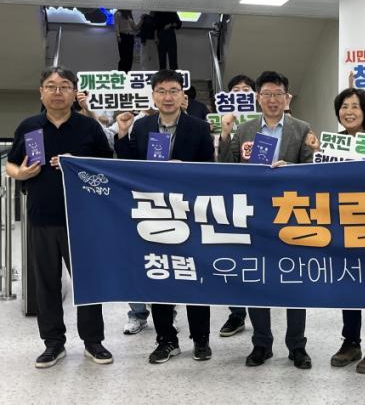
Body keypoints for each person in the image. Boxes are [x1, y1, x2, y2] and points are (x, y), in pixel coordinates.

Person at [6, 67, 114, 368]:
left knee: (88, 281)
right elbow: (11, 165)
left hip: (82, 218)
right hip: (41, 216)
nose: (57, 92)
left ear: (74, 93)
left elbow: (106, 167)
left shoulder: (88, 127)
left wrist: (77, 164)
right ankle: (53, 343)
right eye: (51, 86)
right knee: (46, 283)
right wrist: (21, 173)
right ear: (41, 92)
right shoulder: (29, 126)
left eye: (64, 86)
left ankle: (93, 342)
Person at [115, 69, 215, 364]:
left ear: (183, 96)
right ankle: (166, 339)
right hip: (154, 211)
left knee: (195, 275)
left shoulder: (199, 127)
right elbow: (129, 165)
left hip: (190, 211)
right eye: (161, 91)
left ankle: (201, 339)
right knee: (159, 274)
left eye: (173, 91)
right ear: (153, 96)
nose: (167, 97)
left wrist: (184, 168)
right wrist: (122, 134)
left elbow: (210, 169)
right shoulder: (142, 125)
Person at [218, 71, 314, 370]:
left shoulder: (302, 128)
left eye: (278, 94)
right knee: (256, 279)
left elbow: (312, 170)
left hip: (291, 214)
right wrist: (224, 135)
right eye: (267, 94)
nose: (273, 100)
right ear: (258, 98)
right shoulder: (245, 130)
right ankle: (261, 344)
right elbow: (227, 168)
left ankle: (297, 346)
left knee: (294, 281)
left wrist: (291, 169)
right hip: (255, 215)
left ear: (287, 98)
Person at [310, 88, 365, 373]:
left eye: (355, 106)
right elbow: (319, 181)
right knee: (349, 281)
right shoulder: (333, 143)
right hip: (343, 223)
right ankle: (351, 341)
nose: (349, 112)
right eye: (344, 106)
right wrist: (312, 158)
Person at [217, 74, 256, 338]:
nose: (241, 93)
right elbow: (224, 163)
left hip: (271, 200)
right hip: (235, 201)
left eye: (246, 89)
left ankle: (265, 304)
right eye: (236, 90)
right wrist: (225, 132)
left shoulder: (267, 120)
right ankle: (237, 313)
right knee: (234, 257)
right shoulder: (221, 121)